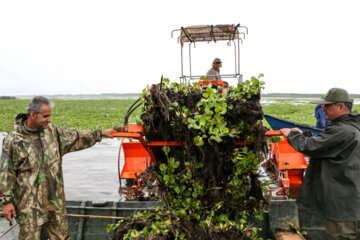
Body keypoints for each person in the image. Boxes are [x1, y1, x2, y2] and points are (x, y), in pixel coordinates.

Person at [0, 96, 119, 240]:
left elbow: (76, 137)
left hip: (55, 202)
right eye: (45, 116)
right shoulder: (13, 141)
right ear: (33, 115)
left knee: (62, 237)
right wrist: (6, 202)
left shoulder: (52, 132)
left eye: (49, 116)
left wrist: (100, 134)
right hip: (28, 206)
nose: (49, 120)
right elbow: (6, 174)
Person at [280, 88, 360, 240]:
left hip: (341, 204)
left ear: (341, 107)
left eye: (327, 106)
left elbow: (311, 147)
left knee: (340, 235)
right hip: (348, 198)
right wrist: (307, 135)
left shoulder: (343, 130)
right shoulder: (350, 127)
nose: (323, 109)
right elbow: (325, 144)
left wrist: (293, 135)